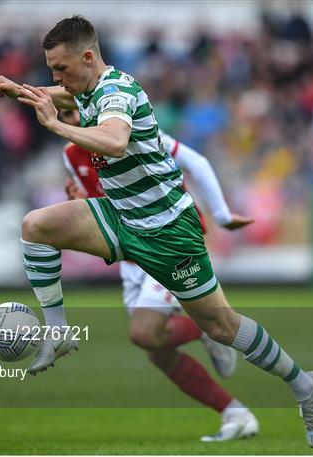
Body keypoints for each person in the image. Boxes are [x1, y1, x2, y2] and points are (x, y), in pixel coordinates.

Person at [0, 16, 313, 448]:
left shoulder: (116, 92)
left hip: (170, 231)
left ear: (88, 57)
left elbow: (113, 142)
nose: (56, 78)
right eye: (51, 70)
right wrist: (18, 89)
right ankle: (58, 331)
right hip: (122, 217)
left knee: (224, 326)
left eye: (61, 68)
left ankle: (303, 385)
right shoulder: (88, 88)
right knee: (35, 226)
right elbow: (58, 94)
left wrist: (55, 125)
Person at [61, 108, 258, 441]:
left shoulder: (131, 129)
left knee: (144, 332)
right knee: (157, 350)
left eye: (73, 112)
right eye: (63, 116)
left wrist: (222, 214)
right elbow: (108, 205)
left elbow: (195, 161)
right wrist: (84, 203)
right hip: (132, 252)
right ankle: (235, 414)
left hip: (167, 239)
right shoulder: (71, 154)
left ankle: (207, 328)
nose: (71, 122)